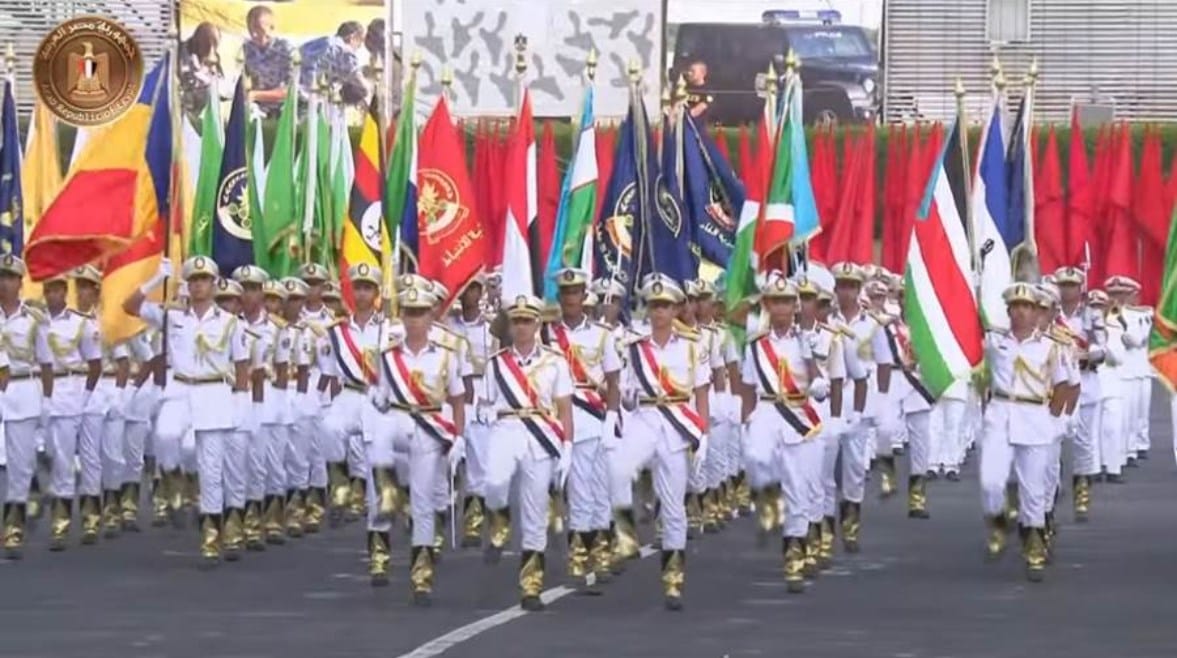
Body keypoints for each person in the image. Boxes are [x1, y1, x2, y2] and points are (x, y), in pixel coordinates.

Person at [124, 257, 252, 568]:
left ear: (214, 284)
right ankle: (174, 482)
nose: (198, 285)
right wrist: (156, 279)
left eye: (203, 280)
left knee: (211, 470)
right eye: (193, 280)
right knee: (165, 435)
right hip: (179, 389)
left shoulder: (231, 323)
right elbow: (130, 306)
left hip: (214, 392)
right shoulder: (172, 316)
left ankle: (211, 539)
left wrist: (241, 402)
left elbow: (242, 366)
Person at [369, 277, 466, 606]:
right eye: (409, 312)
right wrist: (376, 396)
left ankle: (421, 578)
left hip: (429, 426)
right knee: (380, 454)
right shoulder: (388, 356)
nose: (414, 319)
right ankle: (388, 496)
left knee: (423, 504)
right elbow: (382, 397)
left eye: (420, 312)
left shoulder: (446, 356)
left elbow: (457, 399)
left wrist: (459, 437)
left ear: (430, 315)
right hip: (397, 421)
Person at [615, 274, 710, 610]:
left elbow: (701, 393)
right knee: (616, 473)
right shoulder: (633, 347)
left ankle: (673, 580)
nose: (659, 312)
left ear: (676, 309)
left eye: (665, 306)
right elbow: (625, 394)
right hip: (643, 421)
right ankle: (625, 536)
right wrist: (625, 397)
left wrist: (703, 435)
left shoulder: (692, 347)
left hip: (675, 428)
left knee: (673, 507)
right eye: (654, 305)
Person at [481, 294, 574, 611]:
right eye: (516, 321)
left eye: (526, 321)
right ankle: (499, 522)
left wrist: (567, 447)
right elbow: (485, 402)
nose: (521, 326)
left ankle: (531, 586)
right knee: (494, 485)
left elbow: (564, 409)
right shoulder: (496, 364)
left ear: (537, 324)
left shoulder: (555, 362)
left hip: (540, 434)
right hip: (506, 428)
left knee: (535, 511)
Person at [741, 273, 827, 593]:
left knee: (798, 489)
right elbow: (748, 387)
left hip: (798, 415)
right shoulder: (756, 345)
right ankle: (771, 502)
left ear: (795, 306)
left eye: (787, 302)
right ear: (767, 305)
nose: (781, 308)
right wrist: (745, 420)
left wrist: (815, 375)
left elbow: (819, 381)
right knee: (757, 461)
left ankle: (794, 557)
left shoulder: (808, 340)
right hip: (766, 412)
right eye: (776, 302)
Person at [980, 283, 1073, 582]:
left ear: (1036, 312)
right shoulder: (994, 342)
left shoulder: (1050, 346)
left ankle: (1034, 550)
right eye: (1016, 307)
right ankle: (998, 520)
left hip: (1034, 417)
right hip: (1000, 414)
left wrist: (1052, 418)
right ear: (1008, 311)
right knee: (991, 481)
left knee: (1033, 490)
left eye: (1027, 307)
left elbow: (1062, 386)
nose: (1021, 312)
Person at [544, 268, 621, 591]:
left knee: (598, 489)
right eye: (565, 292)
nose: (570, 298)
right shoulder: (546, 333)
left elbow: (613, 381)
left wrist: (612, 419)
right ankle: (578, 556)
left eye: (575, 292)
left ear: (583, 295)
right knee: (577, 492)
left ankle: (600, 553)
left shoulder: (602, 335)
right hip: (559, 419)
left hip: (593, 418)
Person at [41, 272, 102, 550]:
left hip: (75, 389)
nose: (52, 295)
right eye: (48, 290)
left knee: (86, 457)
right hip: (48, 392)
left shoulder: (81, 323)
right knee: (57, 456)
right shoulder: (38, 322)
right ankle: (58, 516)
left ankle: (79, 521)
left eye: (57, 290)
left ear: (65, 292)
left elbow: (95, 365)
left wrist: (85, 397)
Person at [71, 266, 131, 540]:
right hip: (88, 388)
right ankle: (91, 517)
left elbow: (123, 363)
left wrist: (119, 394)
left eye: (87, 287)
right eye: (79, 287)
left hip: (110, 386)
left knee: (113, 455)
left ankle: (112, 507)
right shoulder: (70, 322)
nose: (81, 292)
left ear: (96, 292)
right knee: (89, 455)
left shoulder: (108, 323)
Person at [0, 255, 47, 560]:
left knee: (20, 465)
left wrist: (47, 403)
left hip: (21, 389)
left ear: (20, 283)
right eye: (0, 277)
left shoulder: (34, 319)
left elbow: (46, 362)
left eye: (10, 278)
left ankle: (13, 527)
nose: (4, 283)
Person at [299, 21, 369, 104]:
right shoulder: (343, 49)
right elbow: (356, 76)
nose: (360, 47)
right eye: (360, 41)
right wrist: (367, 91)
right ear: (352, 37)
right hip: (311, 94)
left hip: (296, 89)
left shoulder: (320, 42)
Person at [243, 4, 294, 117]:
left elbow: (291, 90)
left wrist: (255, 95)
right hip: (256, 107)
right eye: (251, 29)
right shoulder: (247, 49)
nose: (254, 34)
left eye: (259, 29)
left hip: (283, 106)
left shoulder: (285, 50)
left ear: (271, 28)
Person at [179, 21, 225, 124]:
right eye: (208, 46)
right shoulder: (180, 55)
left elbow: (220, 80)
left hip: (204, 110)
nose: (212, 50)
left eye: (215, 46)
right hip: (184, 108)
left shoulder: (213, 56)